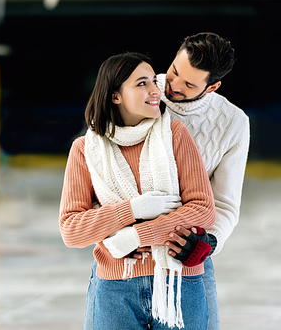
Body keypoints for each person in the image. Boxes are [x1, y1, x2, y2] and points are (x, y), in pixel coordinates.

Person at [84, 32, 250, 330]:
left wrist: (208, 242)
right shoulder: (141, 90)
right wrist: (113, 233)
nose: (172, 86)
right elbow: (101, 166)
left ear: (212, 86)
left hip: (181, 256)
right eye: (174, 71)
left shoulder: (233, 123)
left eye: (189, 84)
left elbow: (224, 202)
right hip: (124, 254)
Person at [59, 52, 216, 330]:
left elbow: (202, 210)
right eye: (142, 83)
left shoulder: (176, 135)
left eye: (153, 82)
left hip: (179, 281)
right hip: (115, 287)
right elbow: (72, 229)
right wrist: (132, 210)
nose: (156, 91)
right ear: (115, 96)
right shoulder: (85, 150)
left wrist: (135, 235)